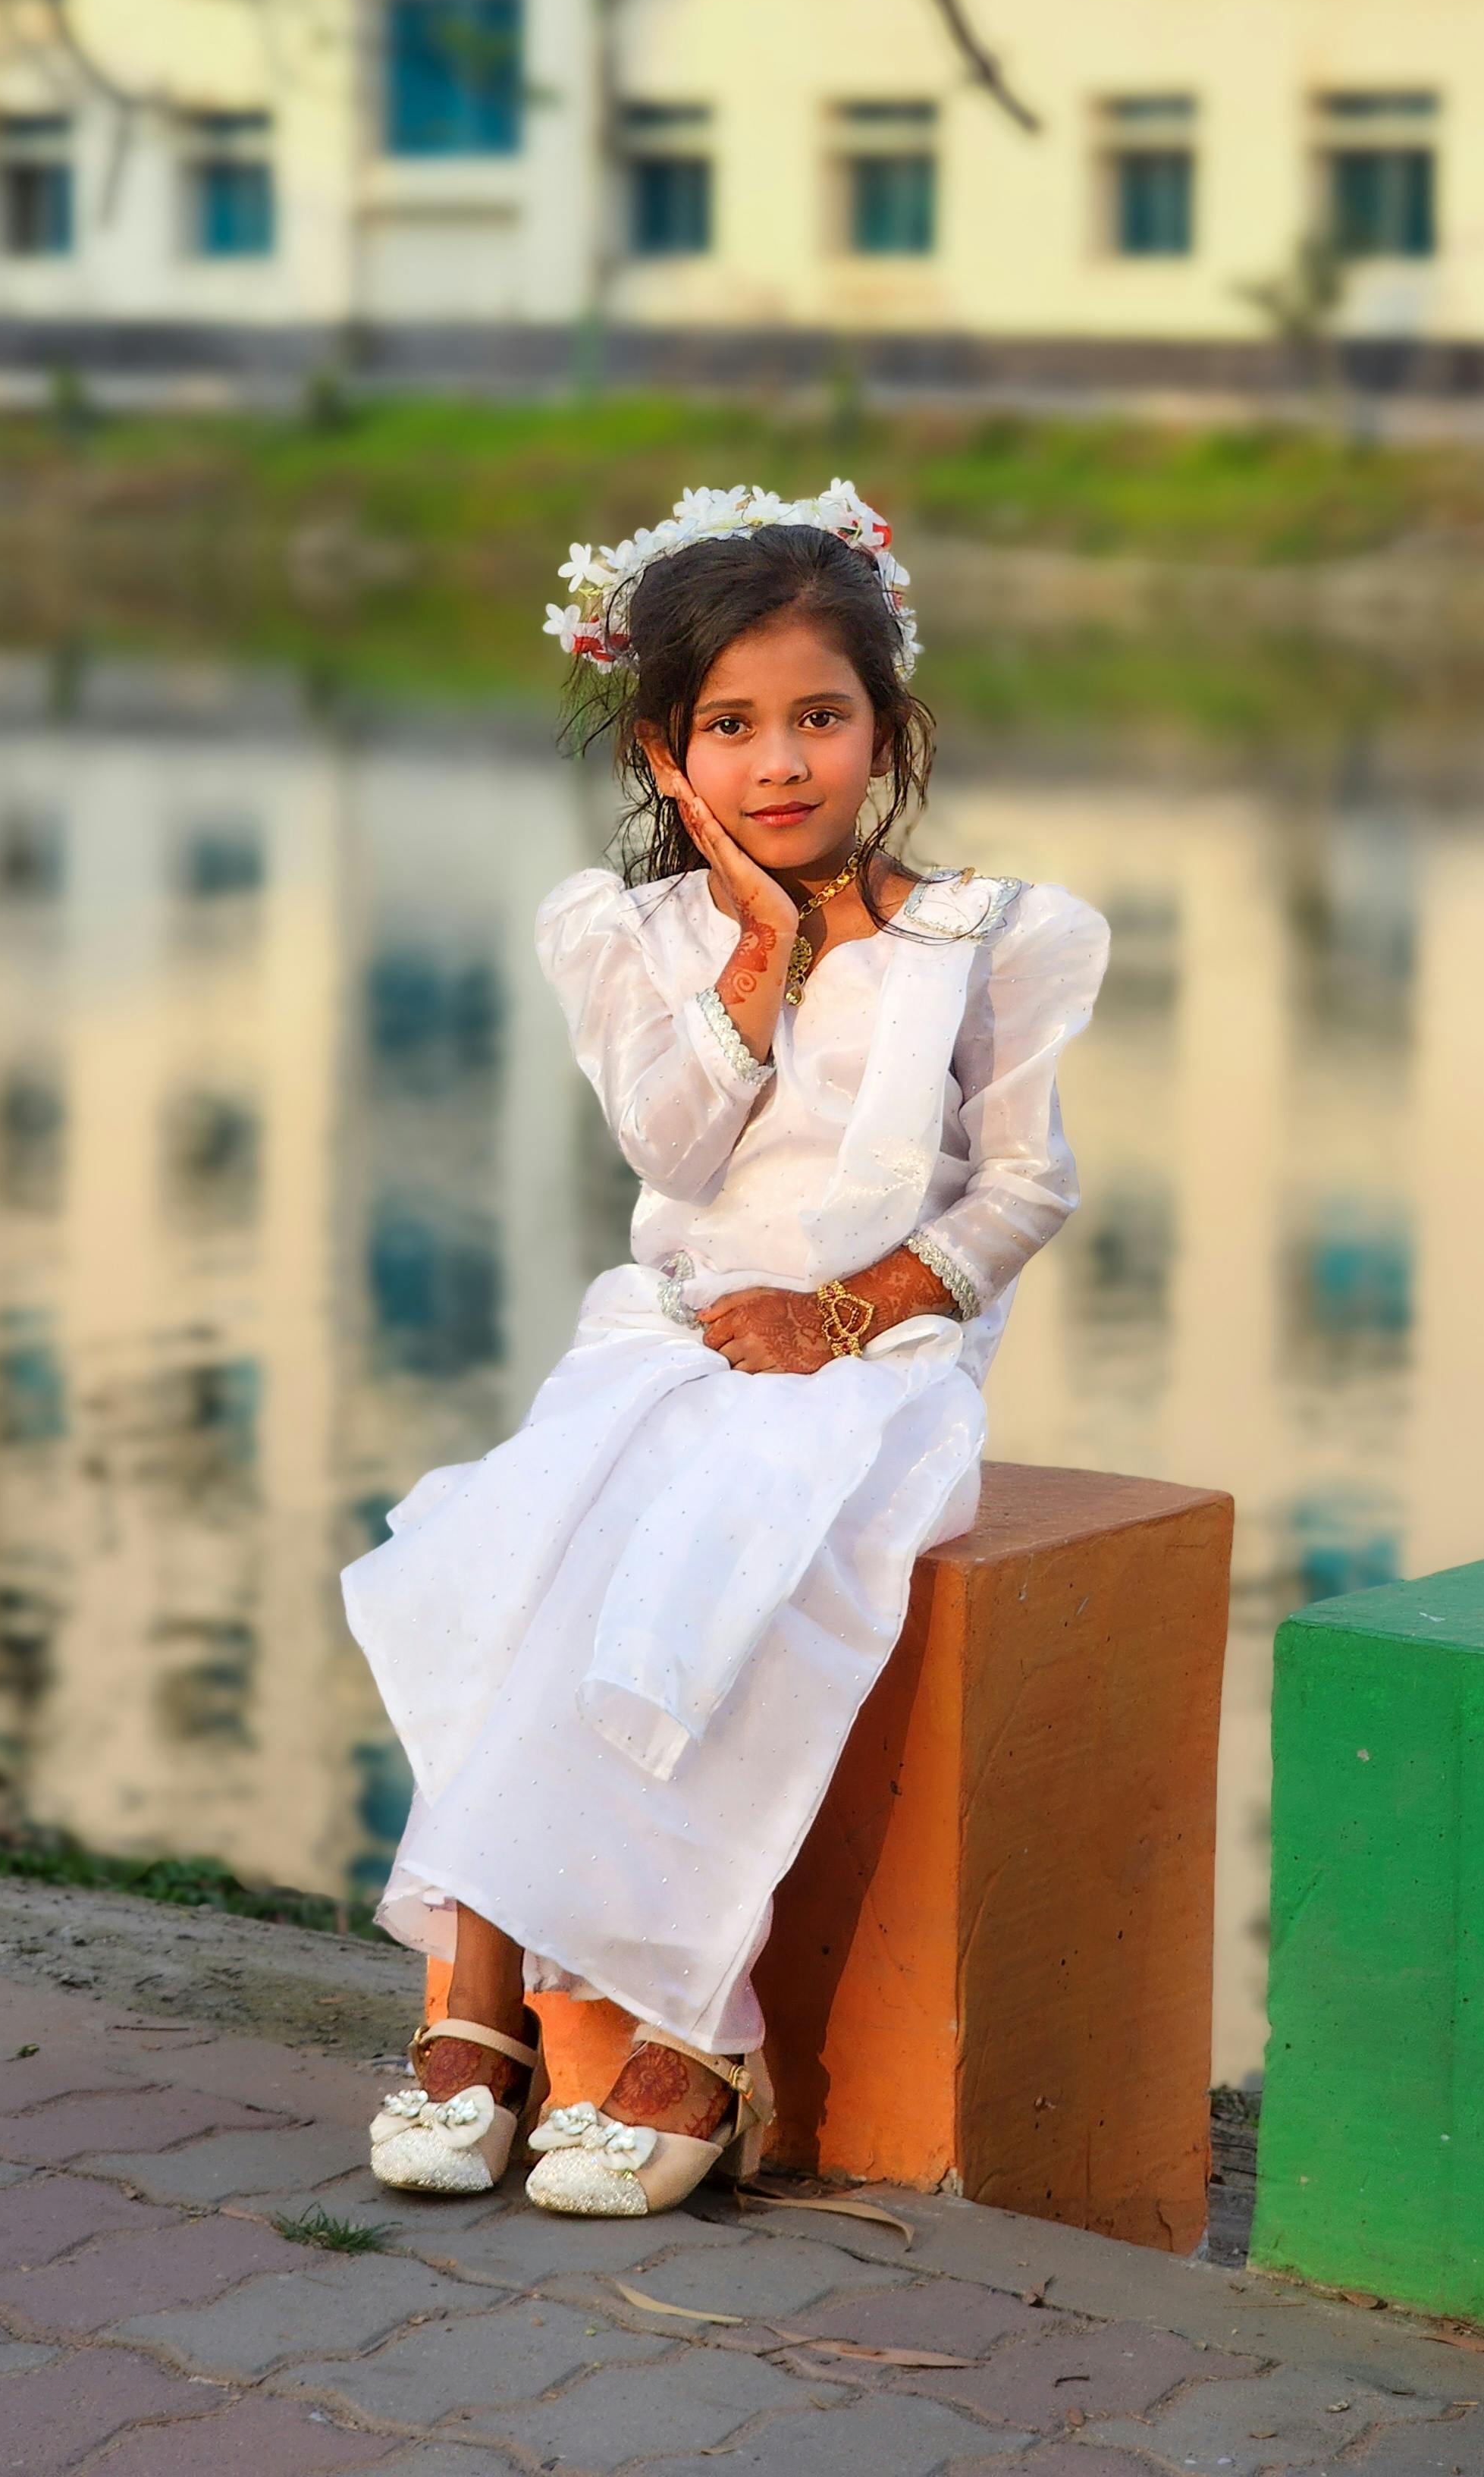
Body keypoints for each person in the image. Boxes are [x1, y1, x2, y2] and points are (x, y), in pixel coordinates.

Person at [341, 481, 1109, 2218]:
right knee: (526, 1534)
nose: (784, 763)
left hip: (876, 1365)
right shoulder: (625, 938)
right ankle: (474, 1996)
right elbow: (678, 1154)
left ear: (887, 725)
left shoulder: (994, 936)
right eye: (732, 727)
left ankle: (700, 2021)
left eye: (820, 718)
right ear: (663, 752)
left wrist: (840, 1316)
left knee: (759, 1561)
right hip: (665, 1338)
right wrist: (762, 944)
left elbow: (1024, 1188)